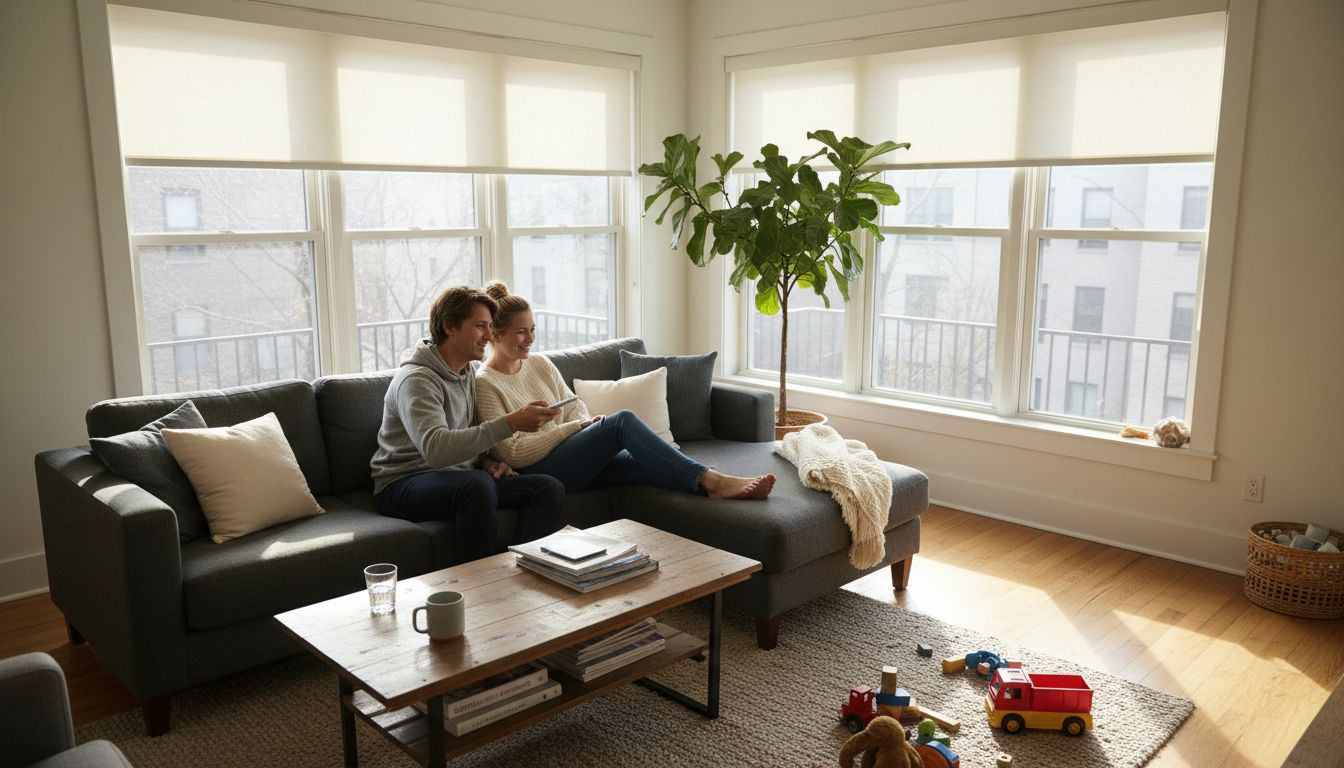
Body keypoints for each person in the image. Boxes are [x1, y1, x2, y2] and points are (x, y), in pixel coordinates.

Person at [474, 281, 775, 500]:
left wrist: (580, 425)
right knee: (621, 422)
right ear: (496, 334)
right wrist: (574, 429)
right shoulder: (486, 382)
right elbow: (510, 452)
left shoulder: (539, 364)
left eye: (533, 329)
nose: (530, 339)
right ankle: (716, 481)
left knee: (646, 463)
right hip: (539, 470)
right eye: (521, 331)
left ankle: (709, 486)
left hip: (571, 454)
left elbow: (574, 404)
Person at [371, 285, 567, 562]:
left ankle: (526, 572)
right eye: (480, 326)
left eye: (489, 326)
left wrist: (487, 461)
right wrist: (510, 423)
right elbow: (436, 450)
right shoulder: (416, 380)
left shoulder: (468, 373)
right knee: (476, 486)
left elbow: (467, 436)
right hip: (402, 484)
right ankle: (485, 586)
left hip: (457, 476)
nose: (489, 335)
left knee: (547, 488)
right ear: (450, 327)